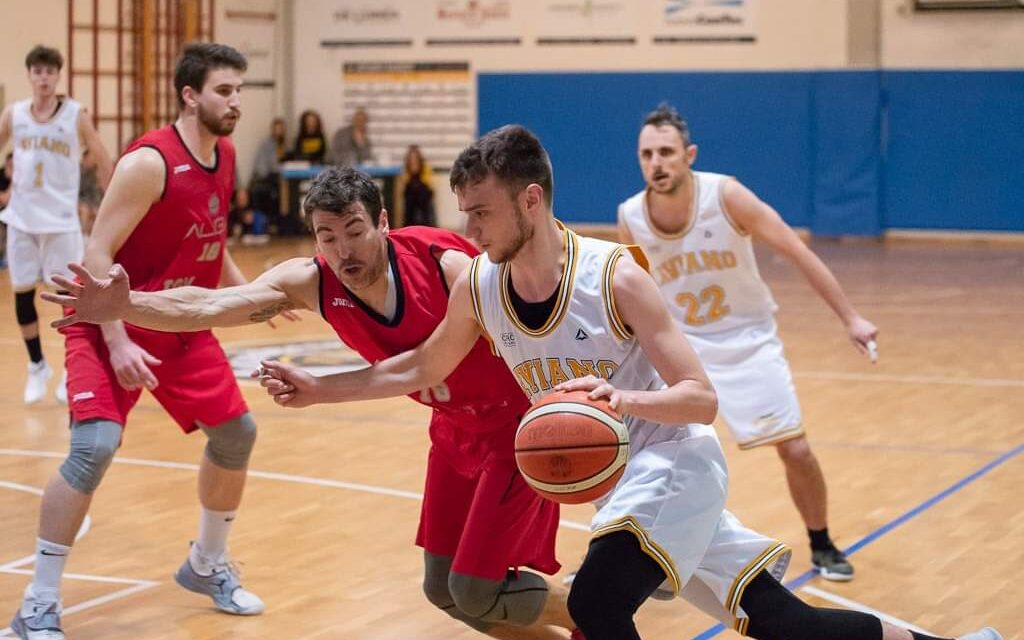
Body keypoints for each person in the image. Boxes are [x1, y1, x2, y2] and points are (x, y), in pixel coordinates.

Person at [216, 126, 992, 640]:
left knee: (592, 605)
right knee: (791, 626)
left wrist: (622, 401)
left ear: (531, 199)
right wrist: (321, 390)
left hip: (677, 461)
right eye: (464, 215)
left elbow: (702, 399)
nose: (470, 232)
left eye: (481, 214)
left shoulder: (617, 278)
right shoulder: (480, 285)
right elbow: (421, 368)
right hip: (625, 484)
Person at [44, 166, 582, 640]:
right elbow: (209, 303)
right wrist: (126, 304)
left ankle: (590, 608)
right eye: (327, 237)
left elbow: (437, 362)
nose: (344, 251)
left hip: (514, 430)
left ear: (383, 223)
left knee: (474, 587)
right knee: (445, 592)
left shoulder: (446, 264)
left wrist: (588, 398)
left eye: (354, 231)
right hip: (452, 433)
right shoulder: (312, 281)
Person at [9, 43, 273, 640]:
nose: (235, 102)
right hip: (109, 321)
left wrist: (250, 296)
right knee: (94, 447)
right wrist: (119, 339)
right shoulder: (148, 163)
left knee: (237, 434)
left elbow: (211, 237)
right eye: (223, 91)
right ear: (190, 95)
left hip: (177, 320)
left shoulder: (224, 153)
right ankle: (37, 604)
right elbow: (95, 256)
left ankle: (206, 565)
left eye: (239, 91)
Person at [616, 103, 879, 581]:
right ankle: (638, 556)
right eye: (647, 154)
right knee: (648, 453)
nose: (657, 162)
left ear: (689, 154)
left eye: (667, 152)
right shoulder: (631, 216)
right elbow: (632, 290)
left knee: (795, 449)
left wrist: (852, 318)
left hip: (748, 339)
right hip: (686, 347)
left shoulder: (726, 195)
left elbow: (796, 251)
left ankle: (822, 543)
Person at [0, 44, 113, 405]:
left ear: (57, 76)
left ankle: (71, 368)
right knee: (21, 294)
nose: (44, 78)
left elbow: (100, 156)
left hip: (62, 222)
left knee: (70, 300)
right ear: (30, 75)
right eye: (38, 71)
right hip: (21, 218)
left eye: (50, 72)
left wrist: (113, 204)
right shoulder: (14, 114)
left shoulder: (75, 114)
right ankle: (37, 366)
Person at [398, 144, 436, 228]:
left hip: (423, 196)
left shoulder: (425, 167)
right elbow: (403, 184)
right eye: (411, 157)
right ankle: (409, 226)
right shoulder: (406, 168)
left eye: (415, 157)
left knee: (422, 193)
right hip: (411, 198)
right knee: (410, 195)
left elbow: (430, 184)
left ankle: (426, 225)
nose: (413, 159)